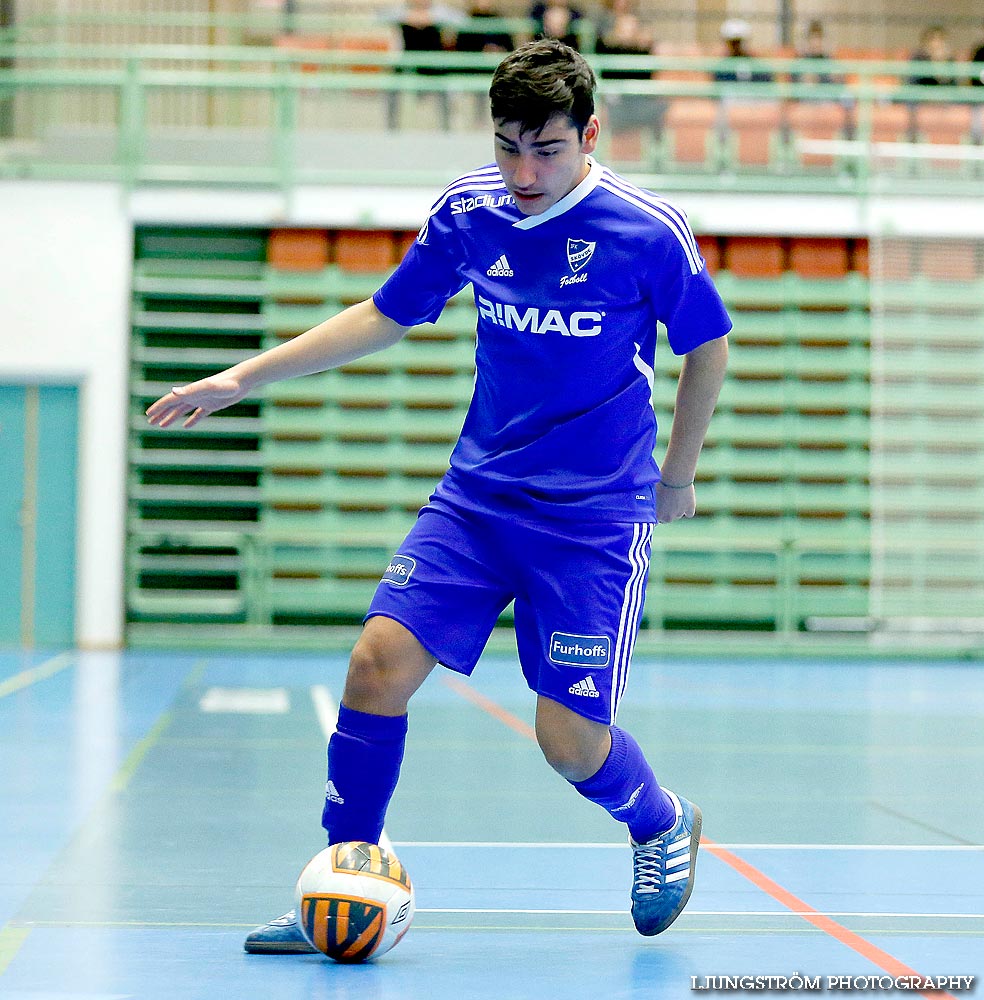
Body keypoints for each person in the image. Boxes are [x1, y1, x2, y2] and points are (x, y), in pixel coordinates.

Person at [147, 38, 730, 952]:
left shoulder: (646, 231)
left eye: (546, 149)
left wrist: (679, 477)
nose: (525, 171)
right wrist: (241, 379)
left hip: (590, 522)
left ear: (589, 135)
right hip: (478, 499)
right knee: (376, 665)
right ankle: (342, 883)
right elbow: (385, 312)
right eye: (508, 147)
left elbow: (708, 346)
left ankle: (658, 820)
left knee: (569, 741)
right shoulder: (469, 215)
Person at [713, 18, 773, 84]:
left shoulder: (758, 67)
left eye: (738, 42)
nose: (736, 47)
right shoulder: (721, 67)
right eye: (732, 43)